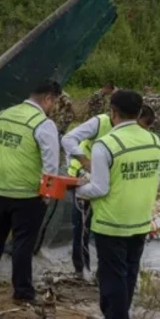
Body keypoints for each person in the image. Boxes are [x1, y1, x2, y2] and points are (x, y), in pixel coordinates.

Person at [76, 90, 160, 319]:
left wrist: (78, 189)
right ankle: (115, 317)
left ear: (113, 113)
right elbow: (155, 177)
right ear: (139, 113)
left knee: (111, 273)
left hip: (111, 221)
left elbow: (100, 188)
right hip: (140, 219)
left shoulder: (106, 145)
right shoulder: (155, 142)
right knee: (128, 272)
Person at [0, 80, 62, 303]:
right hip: (26, 195)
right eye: (54, 103)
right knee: (23, 243)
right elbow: (51, 164)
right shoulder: (43, 123)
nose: (53, 108)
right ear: (48, 99)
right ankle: (22, 292)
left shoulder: (2, 115)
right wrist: (47, 194)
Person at [62, 108, 113, 283]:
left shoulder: (131, 130)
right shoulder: (100, 123)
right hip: (85, 178)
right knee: (82, 228)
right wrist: (86, 162)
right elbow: (68, 139)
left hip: (106, 181)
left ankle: (101, 271)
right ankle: (82, 269)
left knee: (101, 226)